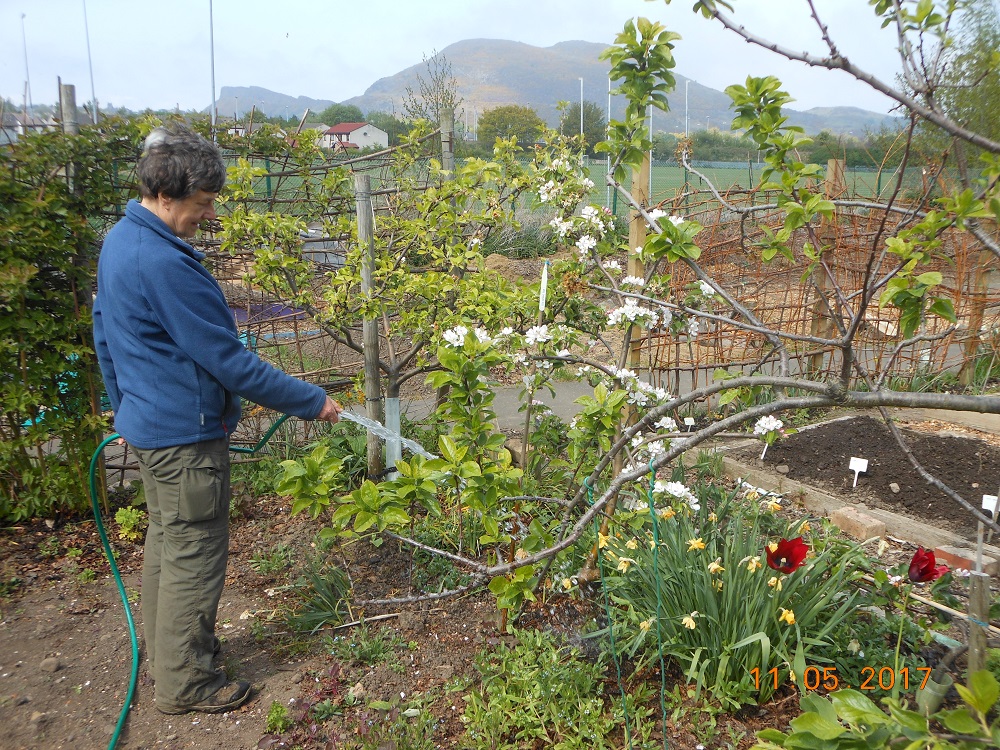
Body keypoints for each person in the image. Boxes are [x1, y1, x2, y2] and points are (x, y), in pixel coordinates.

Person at [93, 123, 341, 715]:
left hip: (150, 426)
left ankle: (169, 655)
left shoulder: (120, 240)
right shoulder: (164, 263)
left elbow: (105, 337)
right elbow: (229, 361)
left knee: (168, 542)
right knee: (194, 553)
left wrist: (123, 406)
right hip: (183, 436)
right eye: (202, 205)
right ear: (168, 195)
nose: (205, 216)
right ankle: (186, 683)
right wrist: (312, 401)